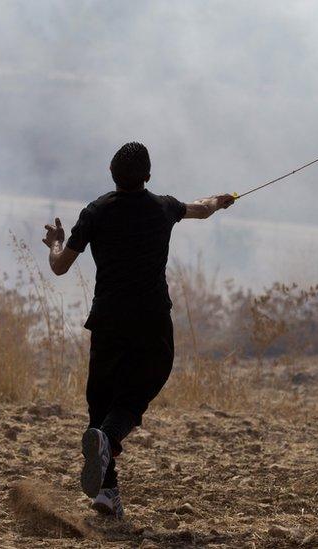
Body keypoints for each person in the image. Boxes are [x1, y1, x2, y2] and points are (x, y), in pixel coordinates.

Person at [41, 141, 234, 518]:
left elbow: (60, 266)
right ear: (147, 176)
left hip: (108, 319)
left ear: (112, 175)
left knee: (102, 399)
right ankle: (109, 447)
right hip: (150, 318)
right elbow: (203, 208)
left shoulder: (95, 211)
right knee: (144, 383)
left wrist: (55, 243)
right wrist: (221, 199)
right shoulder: (164, 207)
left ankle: (107, 491)